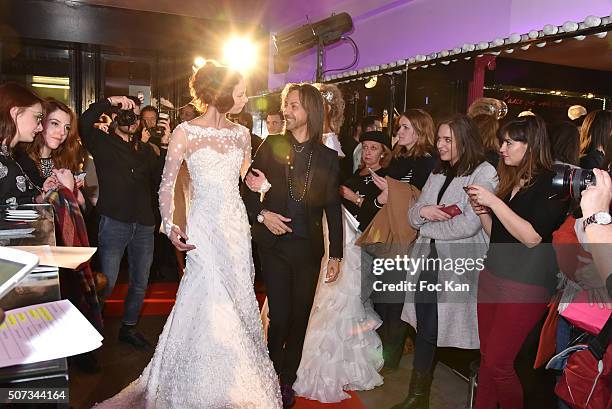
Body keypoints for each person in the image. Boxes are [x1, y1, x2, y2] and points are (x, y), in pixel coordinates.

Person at [95, 61, 281, 408]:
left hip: (236, 226)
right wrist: (170, 225)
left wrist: (262, 184)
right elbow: (166, 187)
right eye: (239, 92)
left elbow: (246, 177)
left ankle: (239, 377)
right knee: (209, 296)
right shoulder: (185, 132)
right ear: (222, 93)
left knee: (239, 294)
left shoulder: (241, 134)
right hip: (203, 225)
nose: (244, 98)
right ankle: (200, 380)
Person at [243, 82, 343, 408]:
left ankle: (287, 382)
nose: (286, 111)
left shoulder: (328, 157)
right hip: (273, 246)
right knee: (281, 317)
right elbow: (245, 190)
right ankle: (269, 375)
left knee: (300, 319)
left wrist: (336, 254)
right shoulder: (271, 145)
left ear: (310, 111)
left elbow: (331, 207)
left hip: (308, 250)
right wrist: (262, 215)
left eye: (294, 106)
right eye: (286, 105)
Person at [391, 114, 497, 409]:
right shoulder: (438, 172)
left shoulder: (484, 172)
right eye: (438, 138)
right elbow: (413, 213)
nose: (440, 144)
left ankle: (483, 394)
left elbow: (469, 225)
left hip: (458, 264)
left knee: (454, 329)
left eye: (447, 139)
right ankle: (418, 395)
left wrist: (425, 223)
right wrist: (423, 215)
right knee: (425, 325)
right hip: (427, 258)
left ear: (465, 139)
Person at [467, 115, 569, 409]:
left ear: (532, 144)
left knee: (499, 364)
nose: (502, 148)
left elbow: (532, 237)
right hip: (493, 274)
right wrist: (483, 212)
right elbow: (499, 235)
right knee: (488, 360)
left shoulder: (552, 182)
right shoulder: (512, 180)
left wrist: (494, 202)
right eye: (502, 141)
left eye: (510, 142)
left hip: (525, 284)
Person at [79, 94, 166, 350]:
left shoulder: (144, 150)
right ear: (116, 118)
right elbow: (84, 122)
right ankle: (92, 330)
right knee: (108, 281)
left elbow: (161, 174)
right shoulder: (102, 142)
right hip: (114, 221)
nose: (132, 120)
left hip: (144, 224)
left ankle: (128, 328)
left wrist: (165, 141)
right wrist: (111, 101)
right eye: (126, 115)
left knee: (140, 281)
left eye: (135, 117)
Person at [369, 109, 436, 372]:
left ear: (420, 130)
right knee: (382, 298)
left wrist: (390, 192)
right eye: (399, 128)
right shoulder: (400, 159)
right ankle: (383, 351)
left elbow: (419, 201)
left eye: (406, 127)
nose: (399, 132)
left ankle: (390, 357)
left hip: (407, 237)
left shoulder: (427, 162)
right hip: (389, 234)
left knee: (394, 299)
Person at [0, 83, 47, 205]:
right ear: (15, 113)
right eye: (37, 117)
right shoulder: (7, 158)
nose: (41, 127)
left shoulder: (8, 156)